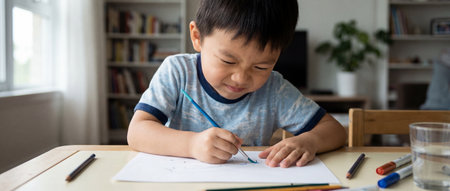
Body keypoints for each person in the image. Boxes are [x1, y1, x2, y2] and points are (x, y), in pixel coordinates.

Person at [127, 0, 347, 168]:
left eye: (261, 67)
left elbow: (334, 130)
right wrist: (192, 145)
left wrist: (310, 141)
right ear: (197, 37)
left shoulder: (274, 89)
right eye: (228, 61)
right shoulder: (178, 72)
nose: (241, 78)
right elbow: (137, 132)